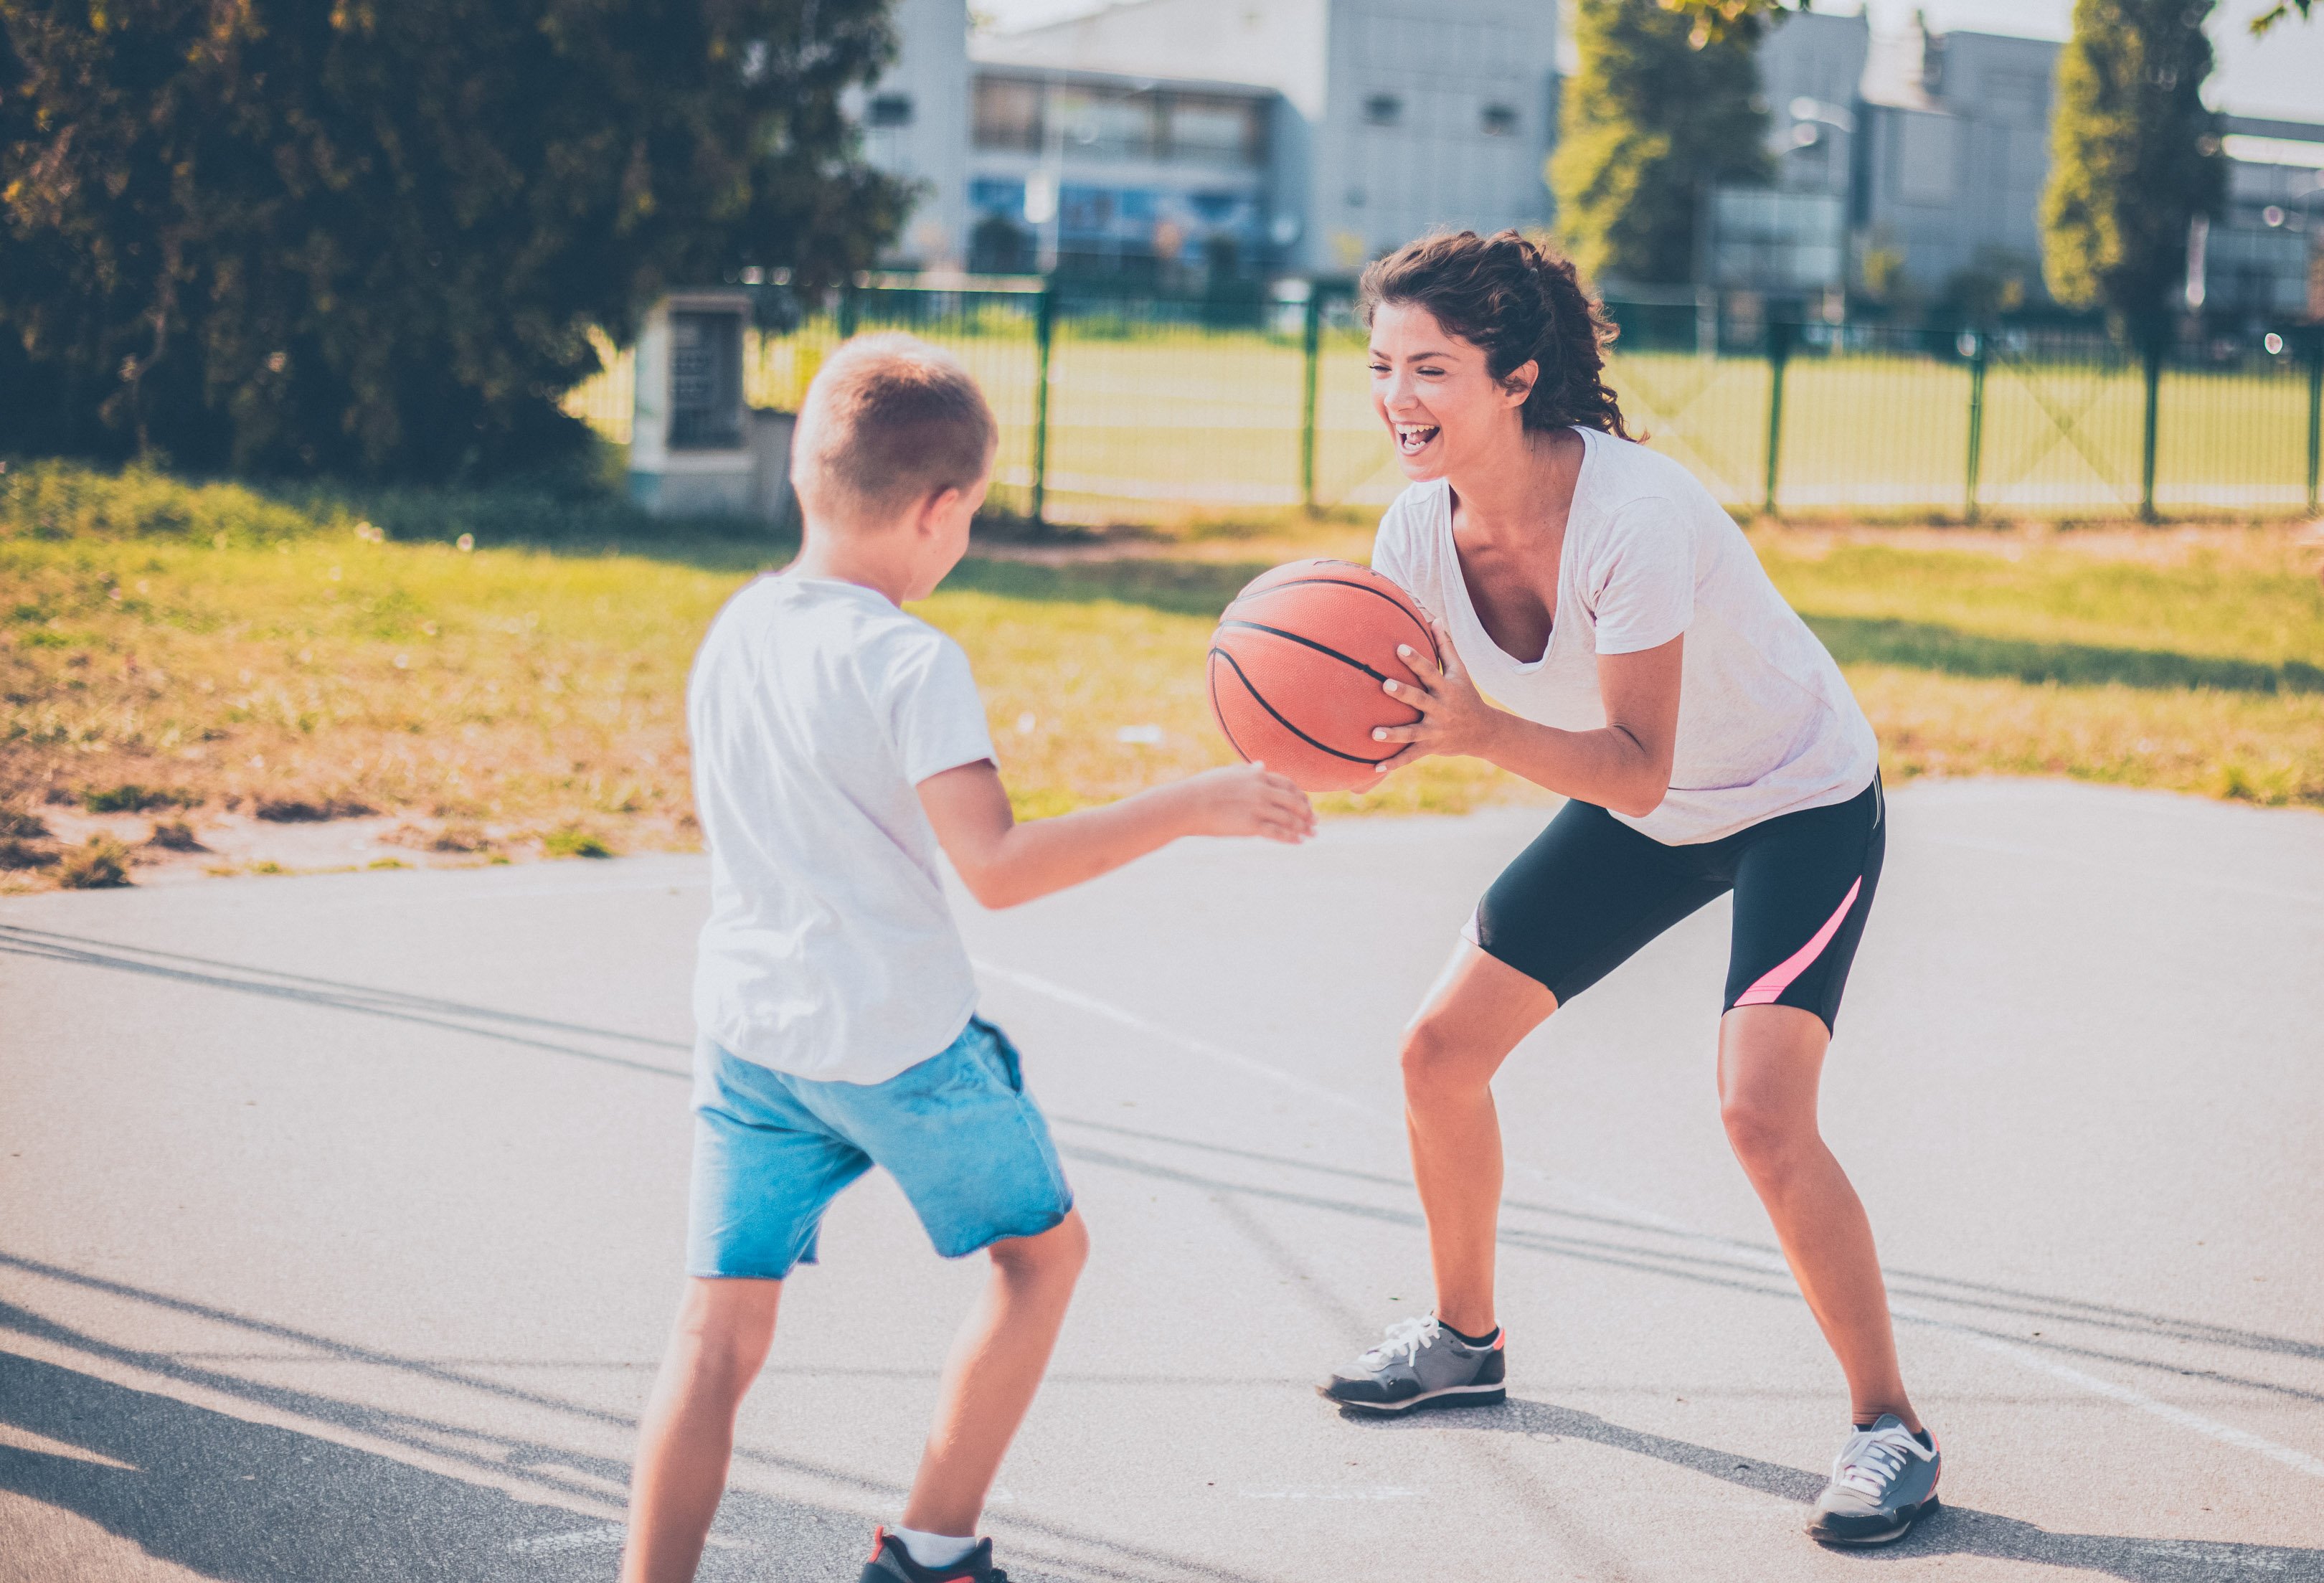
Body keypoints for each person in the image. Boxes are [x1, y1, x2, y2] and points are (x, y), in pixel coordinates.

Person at [621, 334, 1315, 1583]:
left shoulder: (738, 625)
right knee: (1042, 1258)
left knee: (715, 1336)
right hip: (898, 1042)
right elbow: (995, 868)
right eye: (972, 517)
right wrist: (1194, 804)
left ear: (803, 473)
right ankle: (932, 1550)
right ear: (941, 512)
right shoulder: (909, 659)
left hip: (750, 1037)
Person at [1315, 231, 1938, 1547]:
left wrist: (1472, 731)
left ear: (1518, 374)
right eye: (1381, 365)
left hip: (1792, 799)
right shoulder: (1412, 532)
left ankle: (1891, 1428)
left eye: (1430, 367)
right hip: (1637, 801)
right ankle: (1464, 1339)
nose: (1396, 396)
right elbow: (1398, 719)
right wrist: (1327, 742)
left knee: (1761, 1114)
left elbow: (1641, 770)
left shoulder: (1635, 517)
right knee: (1438, 1053)